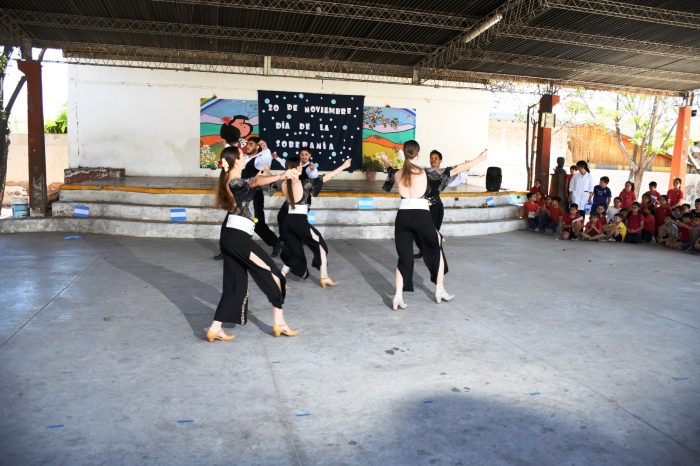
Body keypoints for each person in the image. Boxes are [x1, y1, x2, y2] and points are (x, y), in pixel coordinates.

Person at [206, 146, 297, 342]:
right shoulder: (235, 180)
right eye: (242, 155)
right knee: (273, 273)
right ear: (236, 161)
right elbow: (254, 182)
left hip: (232, 237)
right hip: (238, 238)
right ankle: (279, 323)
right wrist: (281, 174)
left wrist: (274, 177)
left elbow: (257, 183)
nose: (246, 156)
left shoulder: (234, 180)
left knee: (235, 284)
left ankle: (215, 328)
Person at [380, 141, 483, 310]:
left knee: (403, 259)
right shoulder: (426, 172)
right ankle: (439, 290)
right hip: (421, 216)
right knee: (437, 249)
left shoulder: (398, 173)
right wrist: (479, 159)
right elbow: (456, 169)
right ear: (418, 154)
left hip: (403, 217)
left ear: (404, 154)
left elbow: (389, 170)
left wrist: (385, 159)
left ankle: (398, 296)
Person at [279, 157, 351, 286]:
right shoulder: (303, 183)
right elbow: (327, 177)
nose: (302, 168)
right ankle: (324, 277)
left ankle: (280, 278)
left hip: (288, 221)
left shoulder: (284, 183)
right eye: (300, 166)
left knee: (293, 251)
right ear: (294, 168)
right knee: (321, 246)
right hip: (299, 221)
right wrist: (343, 166)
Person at [413, 149, 486, 258]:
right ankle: (426, 250)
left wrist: (468, 167)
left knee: (433, 232)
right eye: (431, 158)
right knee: (420, 230)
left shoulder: (445, 174)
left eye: (436, 158)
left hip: (436, 208)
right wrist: (402, 154)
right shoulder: (425, 171)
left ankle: (435, 254)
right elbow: (412, 165)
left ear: (440, 161)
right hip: (423, 207)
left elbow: (458, 173)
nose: (433, 160)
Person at [242, 138, 283, 257]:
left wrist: (265, 149)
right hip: (241, 194)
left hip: (254, 195)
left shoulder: (259, 159)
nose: (248, 146)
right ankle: (229, 250)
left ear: (257, 147)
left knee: (258, 224)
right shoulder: (244, 157)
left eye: (251, 144)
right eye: (247, 144)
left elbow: (265, 163)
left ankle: (275, 242)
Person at [277, 146, 320, 242]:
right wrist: (276, 158)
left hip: (304, 198)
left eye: (306, 155)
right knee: (281, 216)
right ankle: (283, 237)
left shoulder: (310, 168)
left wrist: (313, 170)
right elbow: (284, 163)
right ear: (299, 155)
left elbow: (314, 176)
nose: (304, 156)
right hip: (293, 196)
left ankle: (301, 238)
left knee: (301, 220)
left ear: (310, 155)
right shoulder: (296, 165)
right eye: (302, 154)